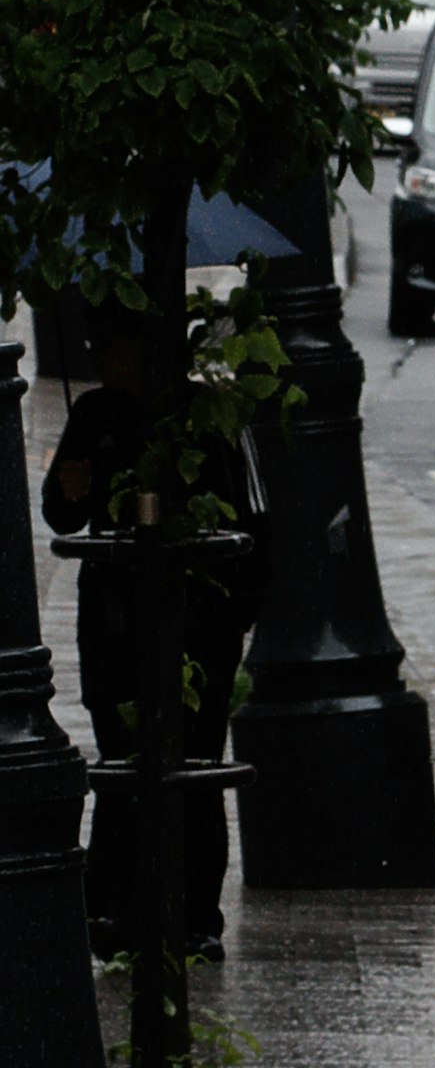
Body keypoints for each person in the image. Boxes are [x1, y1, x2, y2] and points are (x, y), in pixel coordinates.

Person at [41, 309, 257, 960]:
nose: (102, 358)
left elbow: (245, 521)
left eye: (113, 345)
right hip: (114, 619)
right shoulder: (96, 415)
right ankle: (112, 908)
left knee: (193, 759)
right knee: (120, 754)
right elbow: (62, 506)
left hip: (197, 620)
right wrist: (70, 489)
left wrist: (231, 615)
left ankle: (194, 913)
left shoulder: (203, 416)